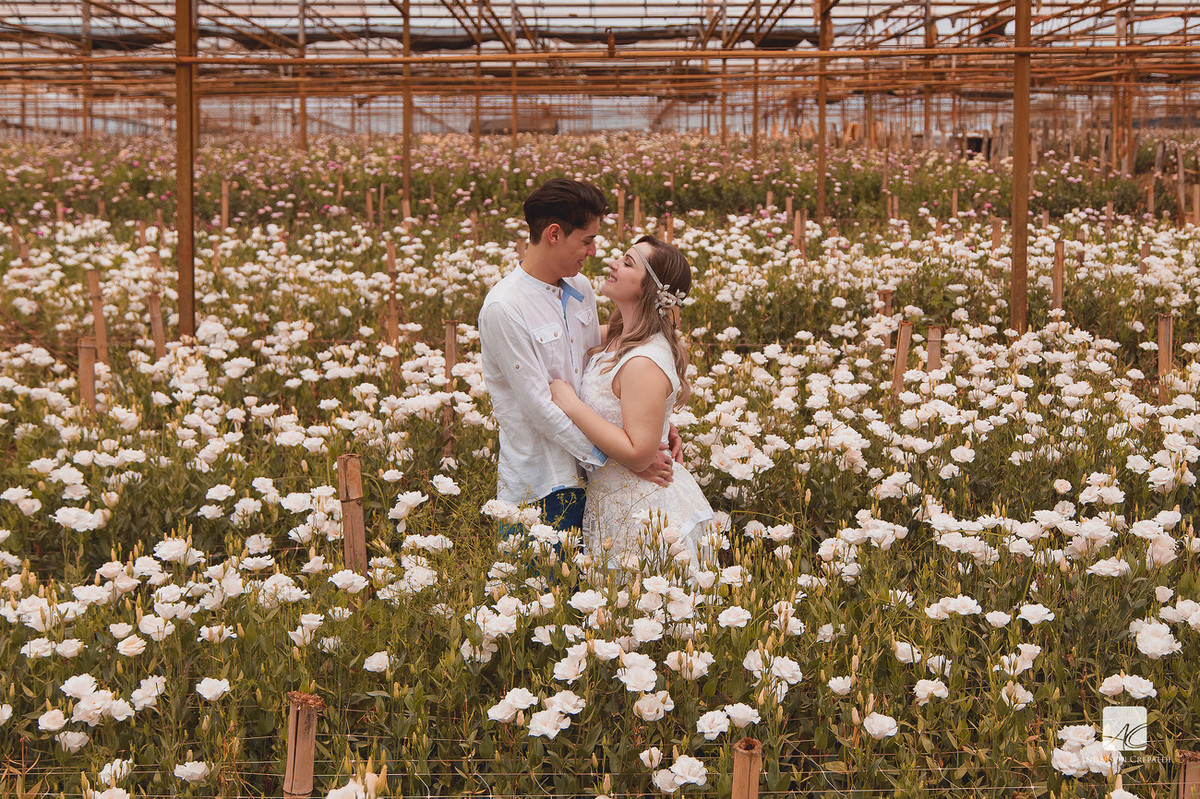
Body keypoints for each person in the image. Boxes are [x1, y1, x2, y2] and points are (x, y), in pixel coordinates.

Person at [478, 178, 676, 537]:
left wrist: (653, 427)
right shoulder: (505, 307)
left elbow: (597, 366)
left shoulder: (580, 288)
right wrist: (623, 459)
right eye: (587, 240)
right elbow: (540, 408)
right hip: (542, 484)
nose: (595, 251)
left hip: (597, 482)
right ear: (554, 234)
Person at [549, 235, 713, 569]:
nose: (613, 264)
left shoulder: (643, 361)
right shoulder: (617, 336)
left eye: (627, 263)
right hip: (616, 504)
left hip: (643, 513)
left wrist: (570, 404)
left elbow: (639, 454)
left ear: (647, 289)